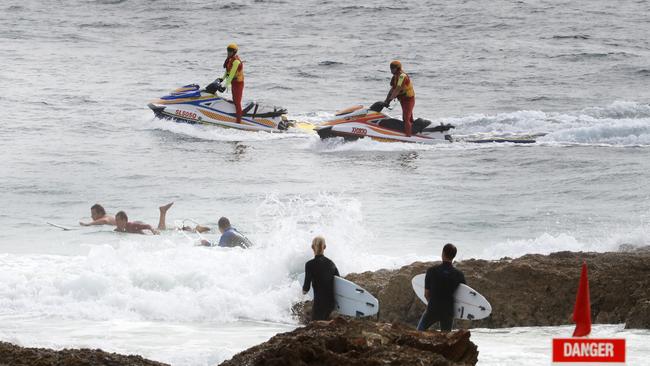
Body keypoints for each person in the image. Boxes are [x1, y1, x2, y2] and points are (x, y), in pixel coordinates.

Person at [417, 243, 466, 332]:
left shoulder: (431, 271)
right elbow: (463, 295)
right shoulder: (459, 275)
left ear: (442, 253)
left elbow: (426, 294)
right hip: (448, 311)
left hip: (433, 308)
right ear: (453, 256)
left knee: (419, 332)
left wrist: (432, 304)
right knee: (446, 338)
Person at [302, 236, 340, 321]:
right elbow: (338, 281)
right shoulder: (331, 263)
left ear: (312, 247)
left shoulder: (309, 264)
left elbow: (306, 288)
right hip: (331, 303)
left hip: (319, 303)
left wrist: (303, 292)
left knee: (316, 326)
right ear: (325, 247)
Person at [383, 60, 416, 137]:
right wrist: (386, 100)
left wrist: (390, 100)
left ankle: (408, 136)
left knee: (406, 118)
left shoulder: (402, 77)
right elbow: (392, 89)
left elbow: (397, 89)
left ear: (398, 68)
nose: (391, 70)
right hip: (403, 99)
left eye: (393, 68)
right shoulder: (395, 77)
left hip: (409, 99)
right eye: (390, 68)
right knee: (408, 117)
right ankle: (413, 131)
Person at [221, 43, 244, 123]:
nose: (228, 52)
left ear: (234, 52)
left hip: (238, 84)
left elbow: (231, 74)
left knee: (237, 102)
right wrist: (221, 79)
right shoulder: (230, 59)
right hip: (233, 83)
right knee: (234, 100)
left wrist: (226, 85)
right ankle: (234, 116)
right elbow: (227, 71)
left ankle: (239, 122)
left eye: (230, 51)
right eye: (228, 50)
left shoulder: (236, 62)